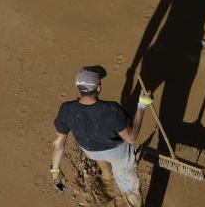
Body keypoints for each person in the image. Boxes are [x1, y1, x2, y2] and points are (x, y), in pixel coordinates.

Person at [51, 66, 153, 207]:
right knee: (130, 186)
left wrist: (55, 171)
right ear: (98, 88)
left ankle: (106, 176)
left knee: (102, 160)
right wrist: (142, 105)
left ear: (78, 87)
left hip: (91, 151)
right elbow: (131, 138)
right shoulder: (111, 110)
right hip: (118, 153)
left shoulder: (66, 109)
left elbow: (58, 144)